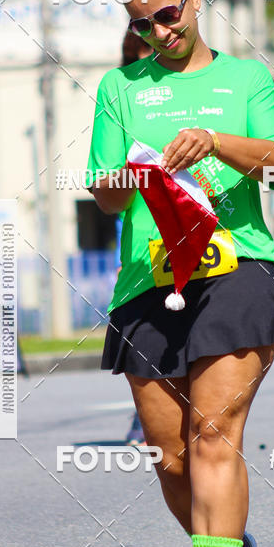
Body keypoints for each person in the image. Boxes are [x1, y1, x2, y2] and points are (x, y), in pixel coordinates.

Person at [87, 0, 274, 547]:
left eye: (167, 15)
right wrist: (127, 173)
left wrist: (215, 142)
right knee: (169, 457)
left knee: (213, 434)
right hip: (148, 279)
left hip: (235, 267)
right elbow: (105, 193)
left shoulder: (245, 78)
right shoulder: (121, 87)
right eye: (141, 25)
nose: (158, 34)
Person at [119, 31, 153, 447]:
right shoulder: (121, 89)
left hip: (190, 224)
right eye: (138, 50)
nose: (147, 54)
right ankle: (142, 410)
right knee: (145, 323)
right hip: (136, 224)